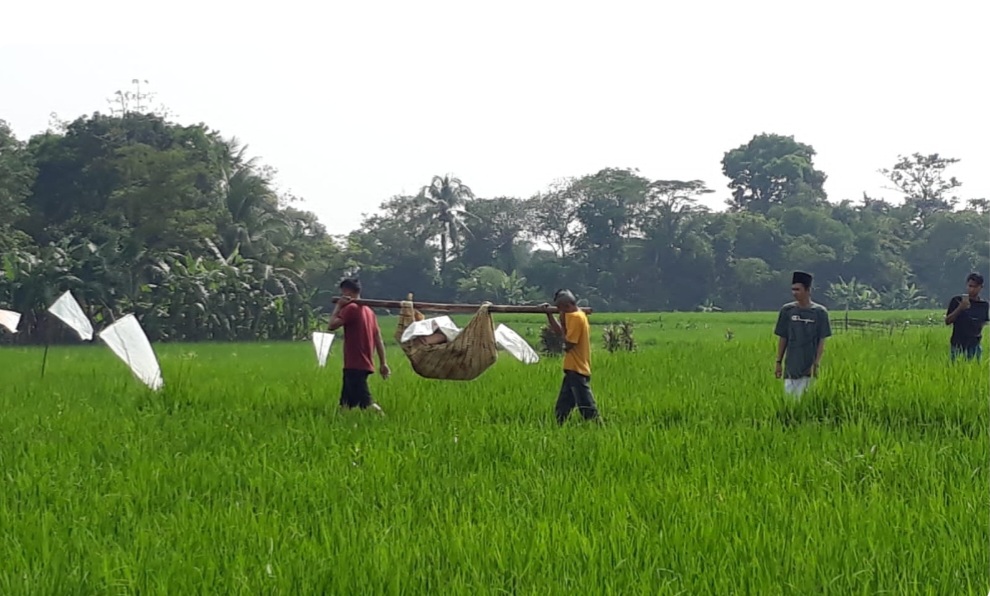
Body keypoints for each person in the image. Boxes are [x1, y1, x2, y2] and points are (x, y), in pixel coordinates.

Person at [328, 278, 390, 414]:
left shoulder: (351, 308)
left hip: (355, 364)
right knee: (346, 404)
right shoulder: (369, 311)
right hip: (362, 363)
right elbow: (378, 338)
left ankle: (383, 419)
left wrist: (338, 306)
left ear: (346, 292)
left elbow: (331, 325)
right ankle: (342, 426)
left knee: (366, 403)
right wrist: (383, 363)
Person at [542, 289, 601, 425]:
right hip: (572, 370)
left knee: (587, 407)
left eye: (559, 308)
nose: (559, 311)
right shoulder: (578, 315)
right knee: (562, 408)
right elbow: (561, 333)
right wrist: (549, 316)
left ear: (567, 306)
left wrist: (562, 321)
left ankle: (599, 429)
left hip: (577, 370)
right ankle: (558, 428)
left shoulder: (575, 318)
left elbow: (569, 344)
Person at [773, 271, 832, 398]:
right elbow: (783, 338)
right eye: (793, 289)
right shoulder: (787, 311)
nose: (794, 293)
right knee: (790, 401)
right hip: (791, 367)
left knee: (807, 401)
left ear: (808, 290)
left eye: (798, 289)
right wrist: (778, 362)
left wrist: (816, 364)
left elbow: (821, 341)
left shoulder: (820, 313)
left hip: (809, 368)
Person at [943, 272, 989, 362]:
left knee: (974, 370)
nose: (971, 289)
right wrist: (960, 308)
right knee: (955, 369)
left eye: (975, 287)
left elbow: (983, 322)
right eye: (970, 286)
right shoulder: (956, 300)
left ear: (981, 287)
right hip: (957, 344)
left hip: (974, 345)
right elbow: (948, 321)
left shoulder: (983, 305)